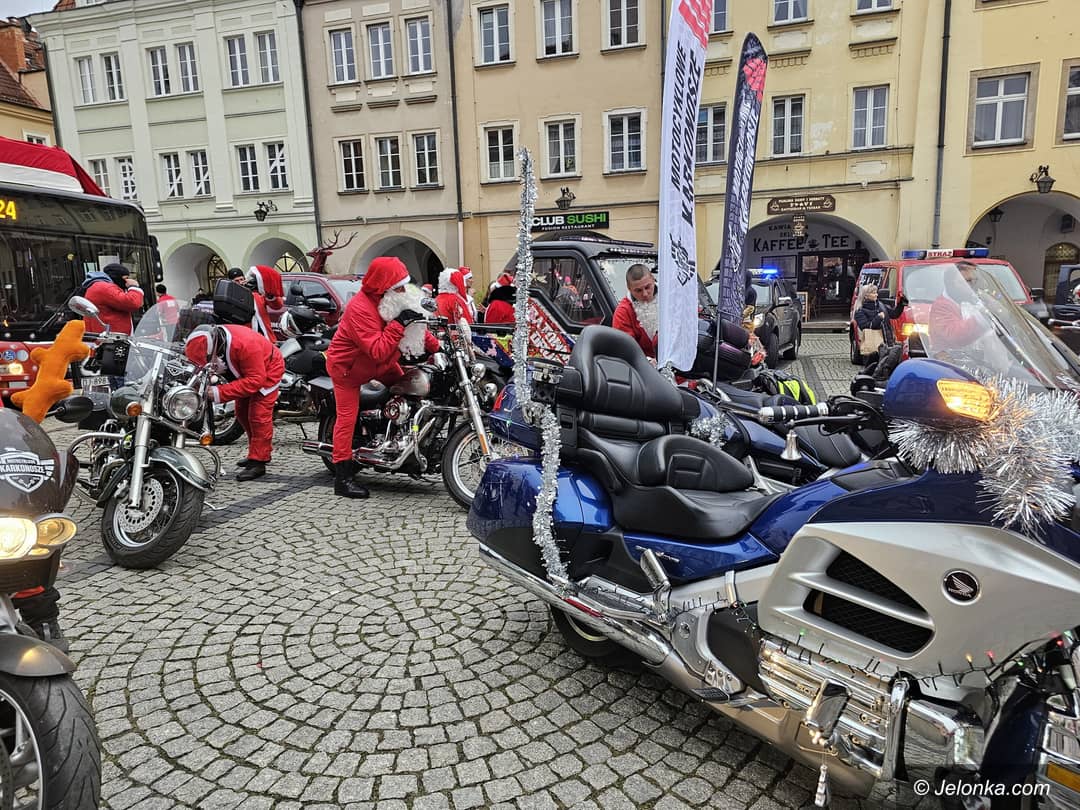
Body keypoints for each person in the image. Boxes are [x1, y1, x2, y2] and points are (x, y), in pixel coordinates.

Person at [325, 257, 439, 498]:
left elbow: (416, 327)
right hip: (349, 369)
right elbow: (377, 349)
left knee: (410, 390)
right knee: (347, 418)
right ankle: (342, 478)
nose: (404, 290)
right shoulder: (359, 308)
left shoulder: (394, 298)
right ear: (383, 287)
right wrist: (399, 323)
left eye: (404, 285)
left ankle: (400, 438)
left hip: (381, 364)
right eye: (399, 286)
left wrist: (438, 348)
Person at [184, 325, 284, 481]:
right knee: (242, 413)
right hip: (248, 371)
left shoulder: (244, 344)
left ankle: (259, 461)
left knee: (258, 416)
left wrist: (217, 393)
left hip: (269, 369)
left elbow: (256, 380)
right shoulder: (216, 341)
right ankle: (257, 451)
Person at [928, 261, 991, 351]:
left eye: (974, 281)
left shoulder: (976, 299)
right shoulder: (941, 306)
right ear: (951, 284)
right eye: (967, 281)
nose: (972, 286)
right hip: (951, 358)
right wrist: (983, 316)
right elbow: (956, 337)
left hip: (983, 357)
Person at [854, 283, 908, 380]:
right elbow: (865, 327)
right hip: (873, 347)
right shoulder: (860, 311)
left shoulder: (881, 305)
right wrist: (878, 318)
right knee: (873, 369)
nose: (876, 294)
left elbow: (894, 314)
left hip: (888, 342)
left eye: (876, 292)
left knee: (887, 368)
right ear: (866, 296)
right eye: (873, 293)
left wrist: (901, 304)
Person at [82, 263, 144, 334]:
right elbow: (132, 303)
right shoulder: (105, 288)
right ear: (117, 277)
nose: (127, 281)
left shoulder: (99, 285)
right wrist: (134, 287)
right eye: (126, 278)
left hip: (103, 333)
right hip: (109, 336)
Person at [612, 264, 658, 359]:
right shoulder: (623, 312)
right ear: (629, 288)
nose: (645, 294)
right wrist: (649, 361)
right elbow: (625, 349)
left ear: (653, 280)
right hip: (645, 364)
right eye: (638, 290)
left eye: (647, 287)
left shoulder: (670, 296)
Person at [228, 267, 276, 343]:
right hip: (248, 339)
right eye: (236, 281)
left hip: (266, 337)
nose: (240, 283)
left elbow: (277, 305)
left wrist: (270, 294)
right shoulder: (230, 298)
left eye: (241, 279)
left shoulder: (257, 294)